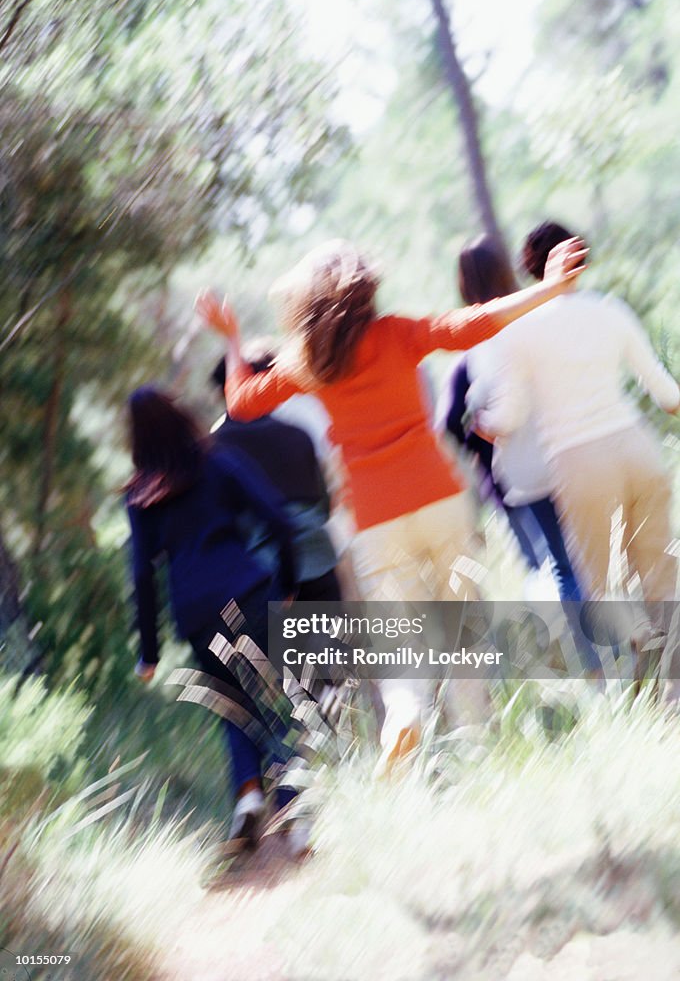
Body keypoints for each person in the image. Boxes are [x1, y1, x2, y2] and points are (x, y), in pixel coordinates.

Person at [195, 235, 588, 762]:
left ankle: (404, 712)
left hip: (378, 518)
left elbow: (241, 404)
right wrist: (548, 288)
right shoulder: (398, 333)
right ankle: (477, 746)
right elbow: (475, 323)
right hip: (440, 498)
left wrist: (233, 338)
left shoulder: (307, 362)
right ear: (365, 287)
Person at [472, 221, 679, 671]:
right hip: (637, 448)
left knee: (598, 583)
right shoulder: (611, 310)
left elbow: (509, 418)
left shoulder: (519, 332)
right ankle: (675, 694)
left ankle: (638, 635)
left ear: (530, 268)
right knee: (662, 579)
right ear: (579, 257)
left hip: (580, 461)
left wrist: (483, 424)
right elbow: (669, 398)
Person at [125, 385, 298, 848]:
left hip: (197, 613)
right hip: (249, 591)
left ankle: (247, 797)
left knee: (234, 707)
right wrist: (288, 583)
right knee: (276, 699)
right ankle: (293, 810)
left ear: (135, 439)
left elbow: (142, 575)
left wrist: (149, 653)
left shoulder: (141, 496)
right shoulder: (217, 461)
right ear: (180, 416)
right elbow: (278, 518)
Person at [441, 235, 583, 606]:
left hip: (516, 477)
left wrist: (482, 436)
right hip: (570, 449)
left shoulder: (472, 352)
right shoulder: (540, 318)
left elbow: (449, 424)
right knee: (590, 556)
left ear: (462, 284)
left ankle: (588, 658)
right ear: (506, 270)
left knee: (554, 568)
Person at [210, 345, 342, 603]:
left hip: (266, 570)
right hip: (319, 557)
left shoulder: (216, 448)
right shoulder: (297, 433)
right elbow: (325, 504)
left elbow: (224, 519)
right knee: (338, 642)